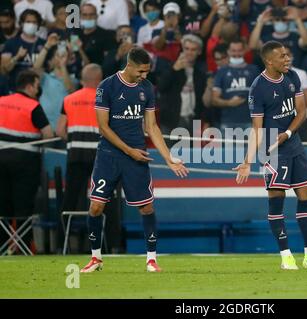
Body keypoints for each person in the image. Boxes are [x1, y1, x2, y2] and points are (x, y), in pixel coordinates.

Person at [80, 47, 188, 273]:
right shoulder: (107, 86)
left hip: (136, 156)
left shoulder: (146, 88)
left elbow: (151, 126)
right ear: (129, 65)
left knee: (146, 207)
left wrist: (168, 158)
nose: (144, 76)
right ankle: (96, 258)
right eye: (141, 71)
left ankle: (151, 259)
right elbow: (103, 126)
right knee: (96, 206)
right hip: (109, 155)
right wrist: (129, 151)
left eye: (147, 71)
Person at [234, 41, 307, 270]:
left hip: (293, 144)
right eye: (282, 56)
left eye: (287, 54)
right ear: (269, 61)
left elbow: (302, 111)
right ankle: (285, 256)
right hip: (272, 151)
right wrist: (246, 161)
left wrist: (289, 133)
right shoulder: (258, 87)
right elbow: (256, 129)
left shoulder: (292, 76)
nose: (287, 59)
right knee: (277, 201)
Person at [0, 69, 54, 252]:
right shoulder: (33, 106)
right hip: (25, 164)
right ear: (30, 86)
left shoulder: (1, 101)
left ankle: (2, 248)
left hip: (1, 161)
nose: (38, 90)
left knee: (3, 207)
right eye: (38, 86)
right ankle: (23, 248)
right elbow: (48, 134)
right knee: (23, 208)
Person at [55, 64, 103, 252]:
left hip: (75, 156)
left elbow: (60, 130)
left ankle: (61, 245)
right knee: (104, 199)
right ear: (99, 80)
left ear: (83, 79)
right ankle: (109, 245)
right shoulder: (105, 99)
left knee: (70, 200)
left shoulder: (68, 99)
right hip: (100, 157)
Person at [158, 34, 207, 136]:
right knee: (167, 152)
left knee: (191, 152)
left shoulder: (200, 74)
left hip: (192, 121)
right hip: (171, 121)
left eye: (193, 49)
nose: (189, 52)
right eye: (187, 49)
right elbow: (161, 87)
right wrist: (174, 69)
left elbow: (201, 100)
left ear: (199, 52)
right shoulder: (170, 67)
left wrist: (206, 120)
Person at [212, 39, 260, 130]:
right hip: (228, 122)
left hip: (251, 122)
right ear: (228, 52)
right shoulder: (221, 71)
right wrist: (229, 103)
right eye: (233, 51)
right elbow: (214, 100)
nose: (236, 54)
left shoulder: (254, 70)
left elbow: (262, 95)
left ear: (244, 51)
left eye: (239, 50)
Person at [1, 9, 46, 91]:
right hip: (15, 89)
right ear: (21, 24)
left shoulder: (44, 44)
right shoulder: (11, 43)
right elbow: (4, 70)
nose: (31, 24)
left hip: (37, 91)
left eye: (34, 22)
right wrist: (17, 57)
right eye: (28, 22)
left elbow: (49, 69)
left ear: (38, 24)